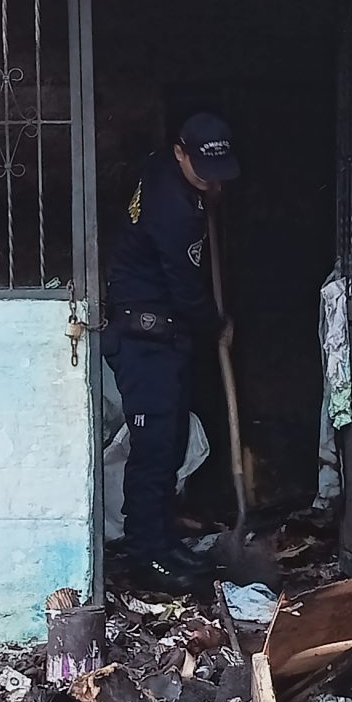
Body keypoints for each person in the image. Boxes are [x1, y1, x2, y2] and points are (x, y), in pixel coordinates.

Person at [103, 111, 239, 591]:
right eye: (203, 173)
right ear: (181, 152)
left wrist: (209, 191)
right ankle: (146, 555)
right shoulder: (175, 211)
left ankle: (163, 540)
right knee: (154, 452)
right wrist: (217, 326)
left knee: (169, 446)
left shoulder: (164, 167)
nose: (212, 183)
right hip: (146, 339)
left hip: (162, 338)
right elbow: (185, 290)